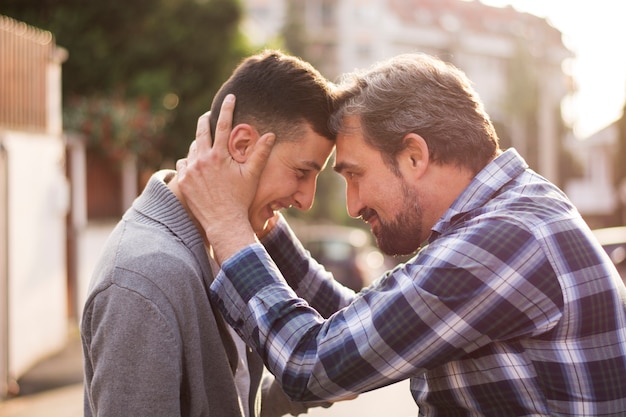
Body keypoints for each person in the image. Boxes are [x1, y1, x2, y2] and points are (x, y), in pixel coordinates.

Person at [177, 52, 626, 416]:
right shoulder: (506, 215)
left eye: (354, 174)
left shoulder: (503, 242)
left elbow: (309, 362)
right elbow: (363, 325)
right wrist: (260, 212)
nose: (351, 205)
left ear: (414, 156)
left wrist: (228, 223)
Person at [80, 49, 337, 417]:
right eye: (301, 172)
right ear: (242, 145)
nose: (307, 199)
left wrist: (310, 383)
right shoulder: (145, 279)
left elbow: (229, 390)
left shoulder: (216, 244)